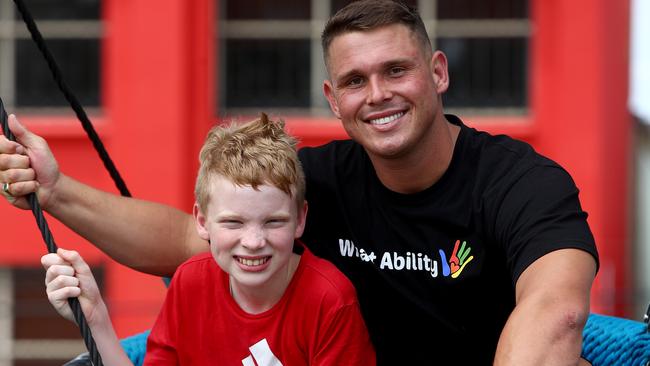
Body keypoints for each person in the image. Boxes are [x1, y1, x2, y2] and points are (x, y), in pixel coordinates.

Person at [0, 0, 598, 364]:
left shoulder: (522, 183)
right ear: (333, 100)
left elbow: (556, 314)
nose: (379, 94)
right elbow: (192, 234)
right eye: (356, 81)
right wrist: (55, 192)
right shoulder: (324, 180)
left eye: (396, 70)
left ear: (437, 73)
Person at [40, 115, 376, 365]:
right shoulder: (191, 281)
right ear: (202, 221)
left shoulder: (329, 301)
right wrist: (96, 316)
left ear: (301, 219)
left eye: (274, 222)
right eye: (233, 222)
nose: (254, 241)